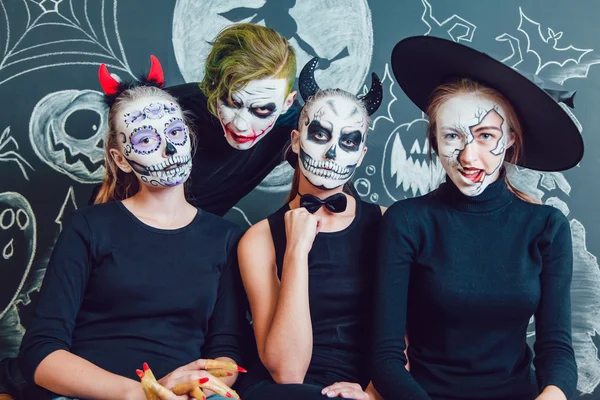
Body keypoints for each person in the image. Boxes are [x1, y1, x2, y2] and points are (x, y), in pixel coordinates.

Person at [17, 57, 246, 400]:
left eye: (173, 132)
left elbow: (227, 351)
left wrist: (197, 388)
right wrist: (143, 393)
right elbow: (41, 353)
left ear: (189, 138)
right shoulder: (88, 227)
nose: (168, 148)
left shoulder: (225, 238)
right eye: (144, 141)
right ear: (121, 158)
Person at [372, 36, 583, 400]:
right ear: (435, 140)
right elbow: (386, 355)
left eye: (486, 135)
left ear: (511, 140)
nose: (469, 156)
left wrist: (553, 395)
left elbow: (557, 349)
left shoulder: (546, 226)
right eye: (453, 135)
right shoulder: (408, 222)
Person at [236, 58, 385, 399]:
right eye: (320, 134)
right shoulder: (258, 239)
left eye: (348, 142)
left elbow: (408, 338)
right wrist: (296, 250)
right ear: (295, 139)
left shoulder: (390, 223)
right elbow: (288, 372)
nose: (332, 152)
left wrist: (374, 393)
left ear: (361, 155)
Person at [89, 23, 300, 216]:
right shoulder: (170, 110)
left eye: (262, 109)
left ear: (287, 103)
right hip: (120, 223)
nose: (240, 124)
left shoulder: (297, 128)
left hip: (201, 242)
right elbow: (115, 180)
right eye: (230, 102)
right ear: (213, 87)